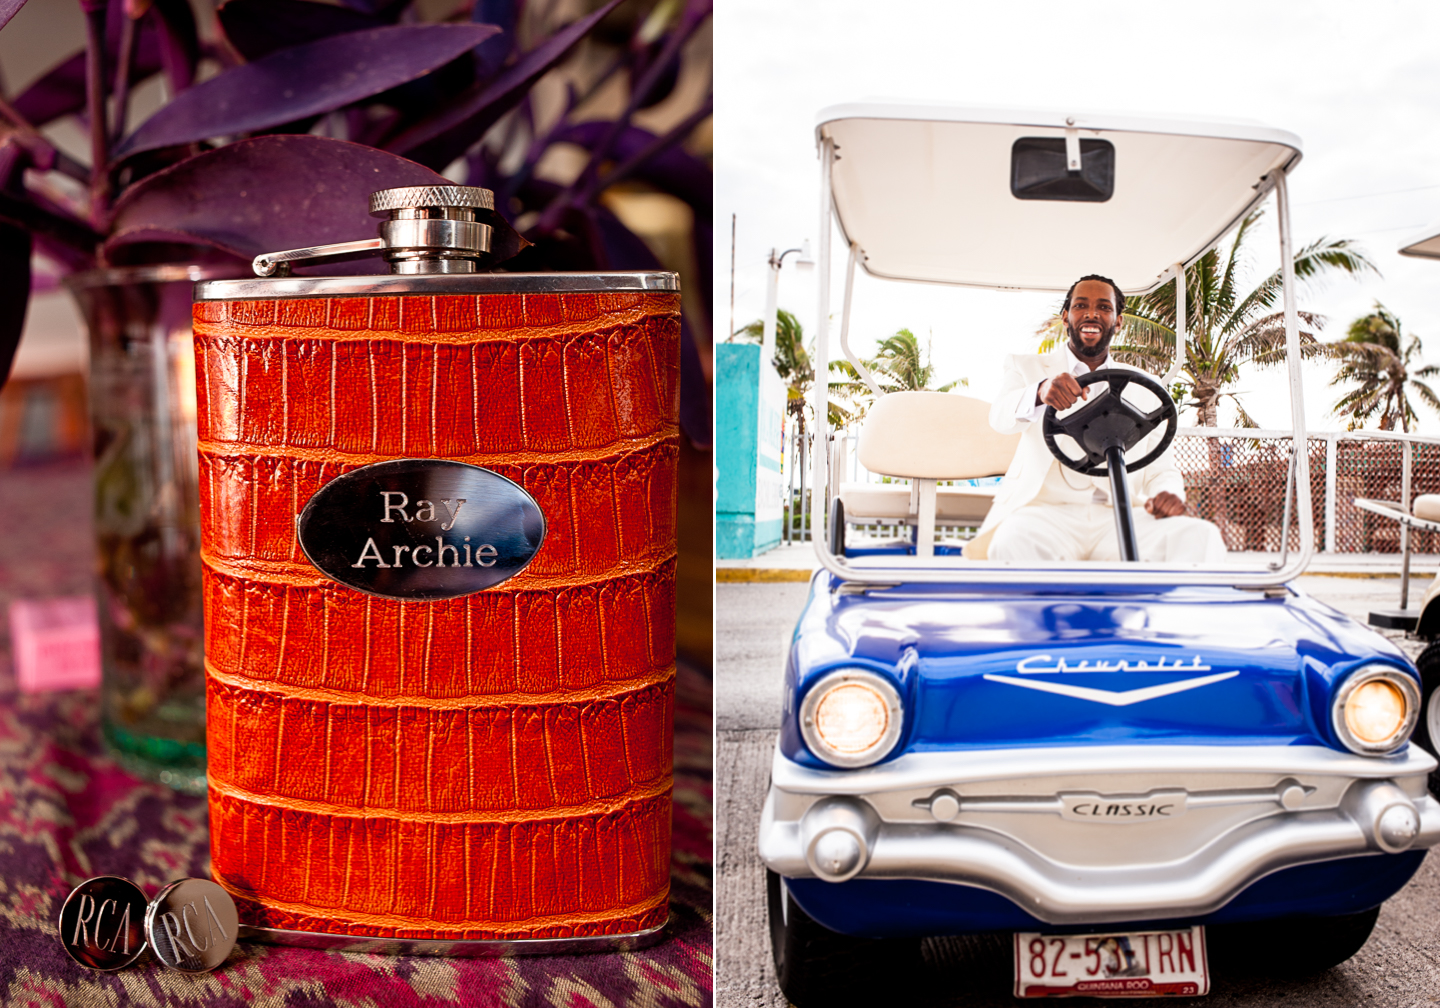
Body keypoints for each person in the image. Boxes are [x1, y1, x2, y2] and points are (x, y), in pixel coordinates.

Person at [963, 274, 1226, 563]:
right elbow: (1000, 418)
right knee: (1012, 542)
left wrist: (1168, 494)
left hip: (1118, 516)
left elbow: (1160, 469)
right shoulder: (1026, 367)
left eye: (1104, 307)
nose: (1091, 313)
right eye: (1080, 306)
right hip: (1045, 515)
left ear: (1118, 321)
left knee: (1201, 537)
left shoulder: (1147, 388)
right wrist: (1041, 391)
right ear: (1066, 318)